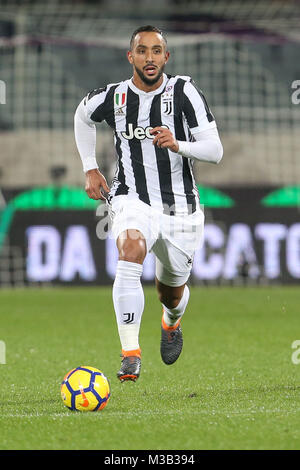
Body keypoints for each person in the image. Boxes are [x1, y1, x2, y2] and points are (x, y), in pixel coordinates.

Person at [74, 25, 223, 382]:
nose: (150, 58)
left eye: (157, 51)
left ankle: (171, 322)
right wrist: (90, 167)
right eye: (142, 51)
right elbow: (82, 116)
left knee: (170, 293)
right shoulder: (114, 97)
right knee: (130, 250)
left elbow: (215, 151)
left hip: (180, 208)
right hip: (132, 197)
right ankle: (130, 354)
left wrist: (178, 145)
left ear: (166, 57)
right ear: (131, 56)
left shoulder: (184, 92)